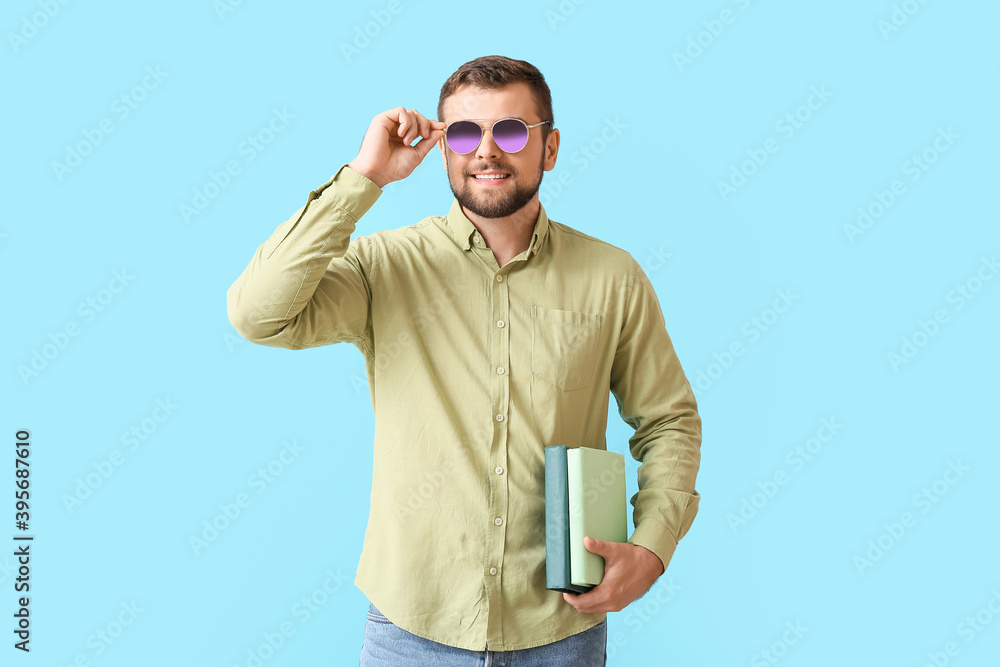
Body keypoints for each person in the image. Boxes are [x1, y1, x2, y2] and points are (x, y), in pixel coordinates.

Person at [226, 55, 702, 666]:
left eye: (510, 131)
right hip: (411, 628)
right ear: (443, 148)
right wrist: (362, 177)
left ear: (548, 148)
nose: (486, 151)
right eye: (463, 133)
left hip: (560, 630)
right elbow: (257, 313)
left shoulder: (613, 277)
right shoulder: (384, 268)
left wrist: (653, 546)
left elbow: (668, 420)